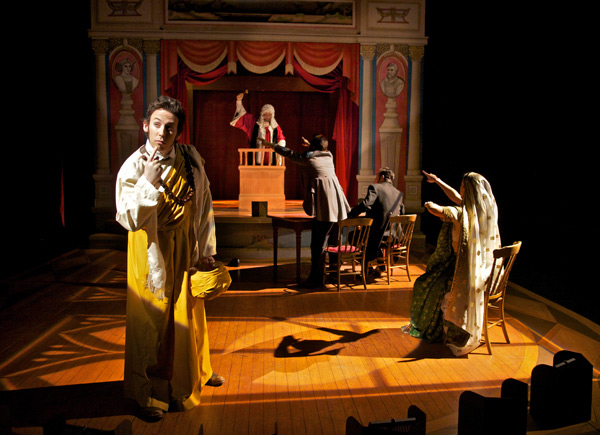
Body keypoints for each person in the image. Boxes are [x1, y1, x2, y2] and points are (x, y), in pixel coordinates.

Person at [115, 95, 227, 421]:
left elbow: (203, 205)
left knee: (190, 311)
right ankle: (150, 392)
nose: (162, 133)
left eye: (170, 127)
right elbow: (129, 219)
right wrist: (148, 182)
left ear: (178, 131)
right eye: (157, 124)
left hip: (185, 244)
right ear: (145, 126)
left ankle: (196, 373)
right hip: (150, 250)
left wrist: (206, 250)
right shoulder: (134, 166)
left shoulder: (190, 158)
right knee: (152, 320)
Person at [404, 171, 501, 356]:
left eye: (463, 187)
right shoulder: (486, 210)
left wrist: (429, 205)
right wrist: (438, 181)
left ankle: (441, 330)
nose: (460, 189)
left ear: (468, 191)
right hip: (484, 273)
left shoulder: (462, 214)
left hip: (462, 272)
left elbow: (439, 210)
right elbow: (457, 198)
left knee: (426, 284)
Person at [263, 134, 350, 288]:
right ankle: (333, 274)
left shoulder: (309, 159)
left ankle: (316, 281)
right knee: (333, 242)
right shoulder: (328, 156)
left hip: (325, 207)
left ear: (313, 148)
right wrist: (311, 145)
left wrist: (272, 145)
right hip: (338, 206)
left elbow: (290, 154)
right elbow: (318, 151)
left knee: (317, 246)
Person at [347, 167, 405, 269]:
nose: (376, 179)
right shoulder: (399, 193)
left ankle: (368, 266)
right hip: (395, 236)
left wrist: (350, 214)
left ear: (382, 177)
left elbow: (365, 204)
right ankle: (380, 261)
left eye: (377, 177)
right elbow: (402, 213)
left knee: (353, 236)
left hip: (379, 235)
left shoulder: (375, 188)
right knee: (365, 234)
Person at [230, 91, 286, 165]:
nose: (267, 117)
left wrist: (279, 151)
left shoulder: (275, 126)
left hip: (271, 160)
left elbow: (281, 139)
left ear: (272, 115)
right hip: (256, 158)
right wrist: (239, 101)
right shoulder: (254, 123)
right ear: (262, 115)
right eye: (265, 114)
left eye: (269, 115)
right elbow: (242, 118)